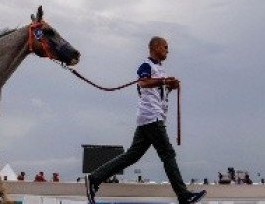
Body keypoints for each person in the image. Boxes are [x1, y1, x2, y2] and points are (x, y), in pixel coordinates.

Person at [84, 37, 206, 204]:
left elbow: (157, 93)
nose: (167, 51)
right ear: (155, 47)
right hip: (151, 117)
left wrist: (169, 87)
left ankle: (94, 178)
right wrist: (164, 81)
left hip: (150, 118)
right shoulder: (146, 65)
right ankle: (183, 195)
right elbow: (143, 83)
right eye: (165, 47)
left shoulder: (159, 69)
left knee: (132, 156)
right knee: (167, 154)